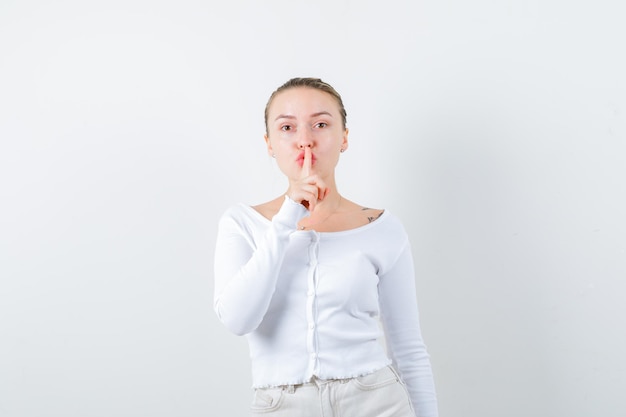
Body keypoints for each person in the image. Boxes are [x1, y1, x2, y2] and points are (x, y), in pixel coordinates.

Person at [213, 77, 438, 417]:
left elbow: (408, 348)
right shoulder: (242, 224)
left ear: (344, 138)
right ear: (269, 143)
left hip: (377, 401)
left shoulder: (381, 228)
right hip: (280, 405)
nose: (305, 141)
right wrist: (289, 216)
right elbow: (238, 319)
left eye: (320, 124)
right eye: (287, 127)